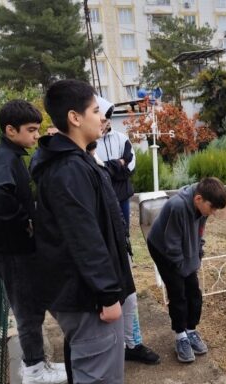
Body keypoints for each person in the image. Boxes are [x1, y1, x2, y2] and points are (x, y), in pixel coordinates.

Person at [30, 80, 131, 384]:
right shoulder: (69, 169)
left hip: (83, 293)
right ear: (74, 117)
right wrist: (107, 295)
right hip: (89, 299)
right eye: (95, 111)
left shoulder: (74, 160)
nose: (102, 118)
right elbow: (84, 237)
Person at [0, 99, 67, 384]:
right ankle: (33, 368)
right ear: (10, 130)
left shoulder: (6, 156)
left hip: (11, 249)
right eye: (31, 130)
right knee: (28, 309)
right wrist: (25, 221)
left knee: (30, 304)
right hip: (12, 250)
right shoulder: (5, 160)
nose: (35, 135)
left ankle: (35, 362)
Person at [94, 95, 160, 365]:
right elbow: (103, 172)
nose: (104, 121)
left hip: (120, 200)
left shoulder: (121, 138)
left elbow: (128, 167)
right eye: (100, 114)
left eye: (107, 116)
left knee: (123, 243)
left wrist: (114, 168)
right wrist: (114, 167)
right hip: (102, 204)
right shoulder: (88, 143)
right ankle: (116, 346)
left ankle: (132, 344)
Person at [146, 177, 226, 363]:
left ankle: (191, 331)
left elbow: (199, 232)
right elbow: (171, 243)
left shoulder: (203, 206)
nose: (213, 213)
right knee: (178, 293)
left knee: (194, 293)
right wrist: (182, 267)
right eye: (212, 208)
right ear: (198, 199)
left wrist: (197, 255)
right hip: (163, 249)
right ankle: (180, 336)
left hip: (182, 247)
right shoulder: (178, 206)